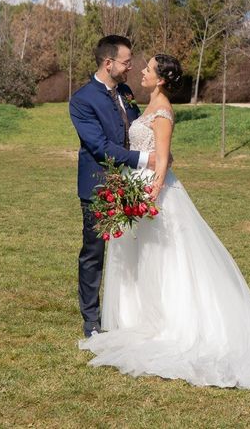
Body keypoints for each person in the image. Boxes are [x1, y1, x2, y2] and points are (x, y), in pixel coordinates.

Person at [79, 54, 250, 390]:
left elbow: (163, 160)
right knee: (139, 257)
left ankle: (171, 323)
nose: (143, 72)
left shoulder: (163, 111)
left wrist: (151, 195)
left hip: (153, 192)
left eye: (148, 69)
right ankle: (136, 319)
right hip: (135, 184)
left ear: (161, 79)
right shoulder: (144, 105)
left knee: (165, 258)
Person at [69, 35, 155, 338]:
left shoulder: (127, 91)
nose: (131, 66)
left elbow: (136, 129)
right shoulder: (82, 100)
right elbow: (100, 147)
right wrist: (147, 158)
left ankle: (130, 313)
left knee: (131, 251)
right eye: (126, 61)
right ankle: (91, 320)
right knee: (94, 252)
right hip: (98, 187)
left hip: (132, 185)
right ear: (109, 63)